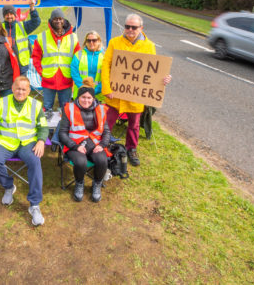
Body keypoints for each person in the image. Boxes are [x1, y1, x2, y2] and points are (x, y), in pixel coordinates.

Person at [101, 14, 172, 166]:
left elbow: (152, 71)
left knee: (134, 124)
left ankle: (131, 149)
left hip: (135, 95)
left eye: (134, 27)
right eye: (127, 26)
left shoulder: (149, 46)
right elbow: (106, 66)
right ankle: (102, 146)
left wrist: (163, 79)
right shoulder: (114, 42)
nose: (130, 30)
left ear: (141, 28)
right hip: (115, 93)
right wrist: (106, 88)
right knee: (107, 122)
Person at [0, 76, 48, 226]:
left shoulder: (36, 105)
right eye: (18, 88)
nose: (20, 92)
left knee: (35, 162)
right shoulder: (1, 103)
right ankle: (9, 186)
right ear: (12, 88)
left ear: (29, 91)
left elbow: (43, 127)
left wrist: (41, 141)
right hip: (5, 142)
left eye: (24, 89)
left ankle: (34, 205)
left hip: (27, 143)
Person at [58, 77, 111, 202]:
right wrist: (75, 146)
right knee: (80, 162)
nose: (86, 100)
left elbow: (107, 131)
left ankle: (97, 184)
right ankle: (79, 184)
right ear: (78, 97)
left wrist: (102, 145)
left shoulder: (101, 109)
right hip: (75, 144)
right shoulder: (69, 109)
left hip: (95, 143)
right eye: (83, 97)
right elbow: (62, 133)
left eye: (89, 98)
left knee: (102, 160)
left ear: (93, 98)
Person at [32, 8, 81, 114]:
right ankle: (47, 130)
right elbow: (35, 57)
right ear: (51, 21)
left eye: (60, 19)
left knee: (65, 109)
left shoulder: (73, 37)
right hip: (48, 79)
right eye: (55, 19)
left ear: (63, 20)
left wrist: (74, 73)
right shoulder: (42, 37)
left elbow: (78, 58)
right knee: (47, 108)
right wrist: (41, 72)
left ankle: (64, 129)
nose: (58, 21)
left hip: (66, 79)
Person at [0, 0, 41, 75]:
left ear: (15, 15)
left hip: (21, 67)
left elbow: (36, 21)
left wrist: (32, 7)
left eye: (11, 14)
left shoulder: (23, 26)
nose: (9, 16)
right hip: (5, 67)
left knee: (21, 87)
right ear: (3, 16)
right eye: (6, 14)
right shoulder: (0, 27)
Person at [71, 30, 105, 102]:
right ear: (85, 42)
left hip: (98, 95)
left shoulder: (105, 56)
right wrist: (83, 89)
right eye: (88, 40)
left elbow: (108, 76)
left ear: (99, 41)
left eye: (94, 40)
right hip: (81, 94)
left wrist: (96, 90)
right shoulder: (78, 55)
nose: (91, 43)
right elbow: (74, 73)